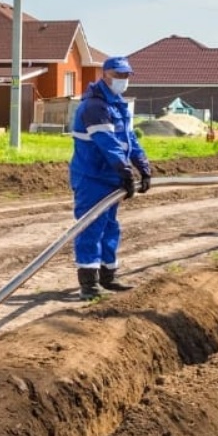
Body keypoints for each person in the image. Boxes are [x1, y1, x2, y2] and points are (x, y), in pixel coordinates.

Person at [69, 56, 152, 301]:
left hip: (110, 177)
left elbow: (130, 140)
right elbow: (108, 144)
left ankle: (108, 275)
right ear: (105, 75)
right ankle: (89, 283)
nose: (123, 80)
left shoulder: (117, 105)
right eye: (118, 75)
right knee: (90, 227)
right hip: (92, 176)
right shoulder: (95, 107)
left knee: (110, 226)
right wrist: (125, 171)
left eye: (126, 76)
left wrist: (143, 166)